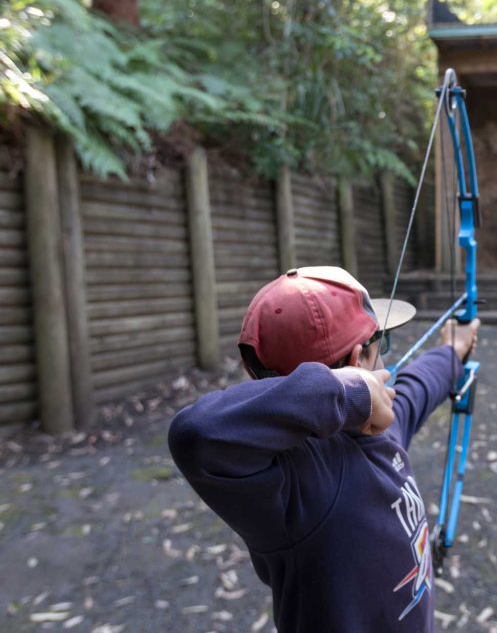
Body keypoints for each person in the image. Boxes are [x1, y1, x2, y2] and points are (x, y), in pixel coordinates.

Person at [168, 266, 480, 632]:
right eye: (382, 348)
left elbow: (416, 387)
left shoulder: (380, 429)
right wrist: (351, 392)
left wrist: (451, 351)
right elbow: (196, 434)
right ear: (358, 361)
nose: (387, 365)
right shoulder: (295, 482)